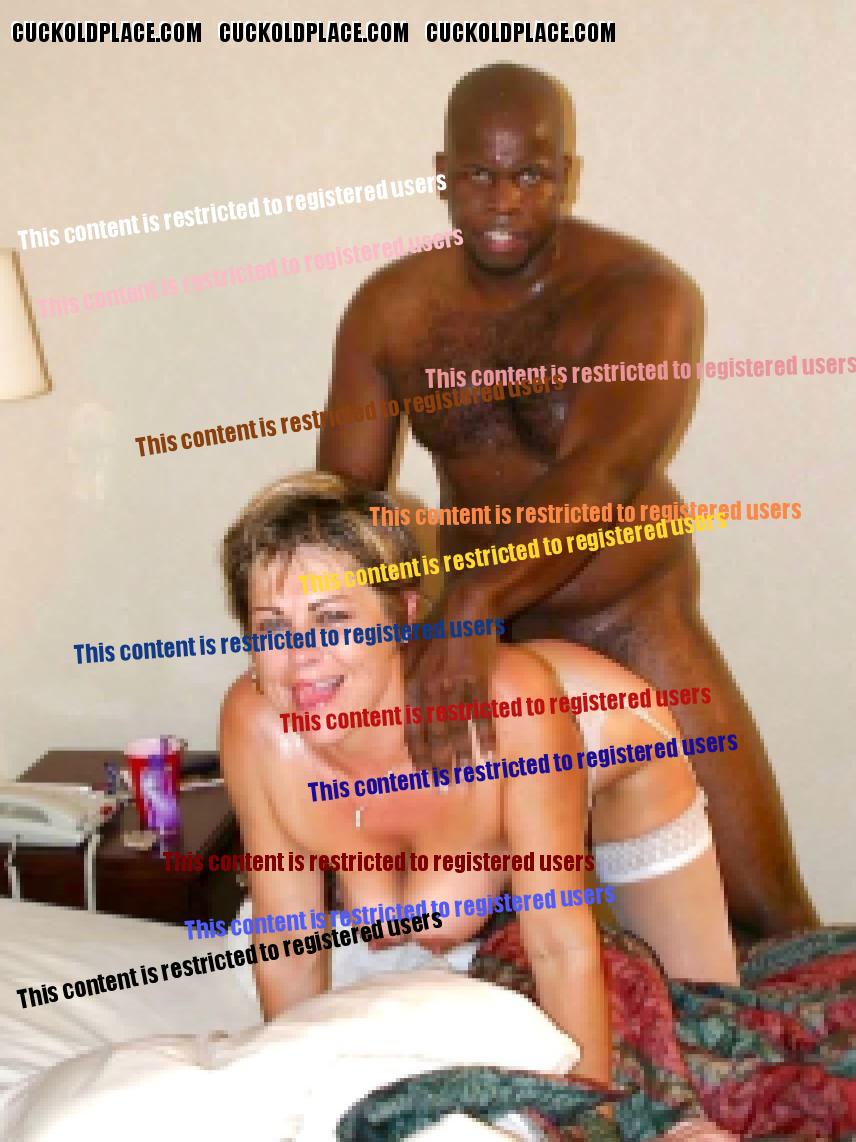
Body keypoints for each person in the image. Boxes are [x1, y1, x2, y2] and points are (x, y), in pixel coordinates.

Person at [318, 61, 816, 937]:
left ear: (567, 176)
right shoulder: (389, 310)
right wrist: (352, 638)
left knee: (762, 913)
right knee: (515, 926)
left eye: (532, 175)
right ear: (442, 175)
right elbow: (343, 508)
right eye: (480, 174)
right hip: (487, 645)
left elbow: (600, 476)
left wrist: (473, 600)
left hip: (632, 622)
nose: (505, 200)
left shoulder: (643, 295)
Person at [219, 472, 738, 1093]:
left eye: (332, 619)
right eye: (274, 628)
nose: (302, 655)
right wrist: (293, 1097)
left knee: (703, 1046)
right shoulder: (256, 728)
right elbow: (289, 944)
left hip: (615, 746)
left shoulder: (512, 710)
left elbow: (560, 945)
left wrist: (588, 1113)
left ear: (403, 614)